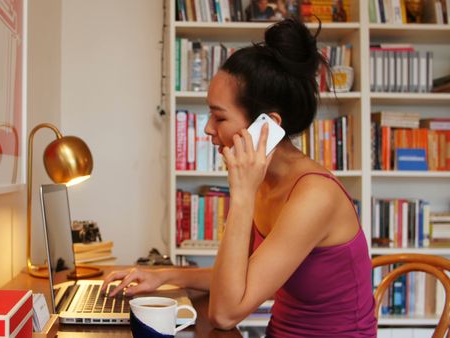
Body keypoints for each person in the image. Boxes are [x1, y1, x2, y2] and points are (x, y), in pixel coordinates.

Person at [102, 18, 377, 336]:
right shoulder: (266, 182)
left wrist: (242, 193)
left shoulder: (315, 196)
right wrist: (164, 275)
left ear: (268, 126)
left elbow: (225, 312)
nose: (208, 128)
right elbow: (234, 282)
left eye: (219, 116)